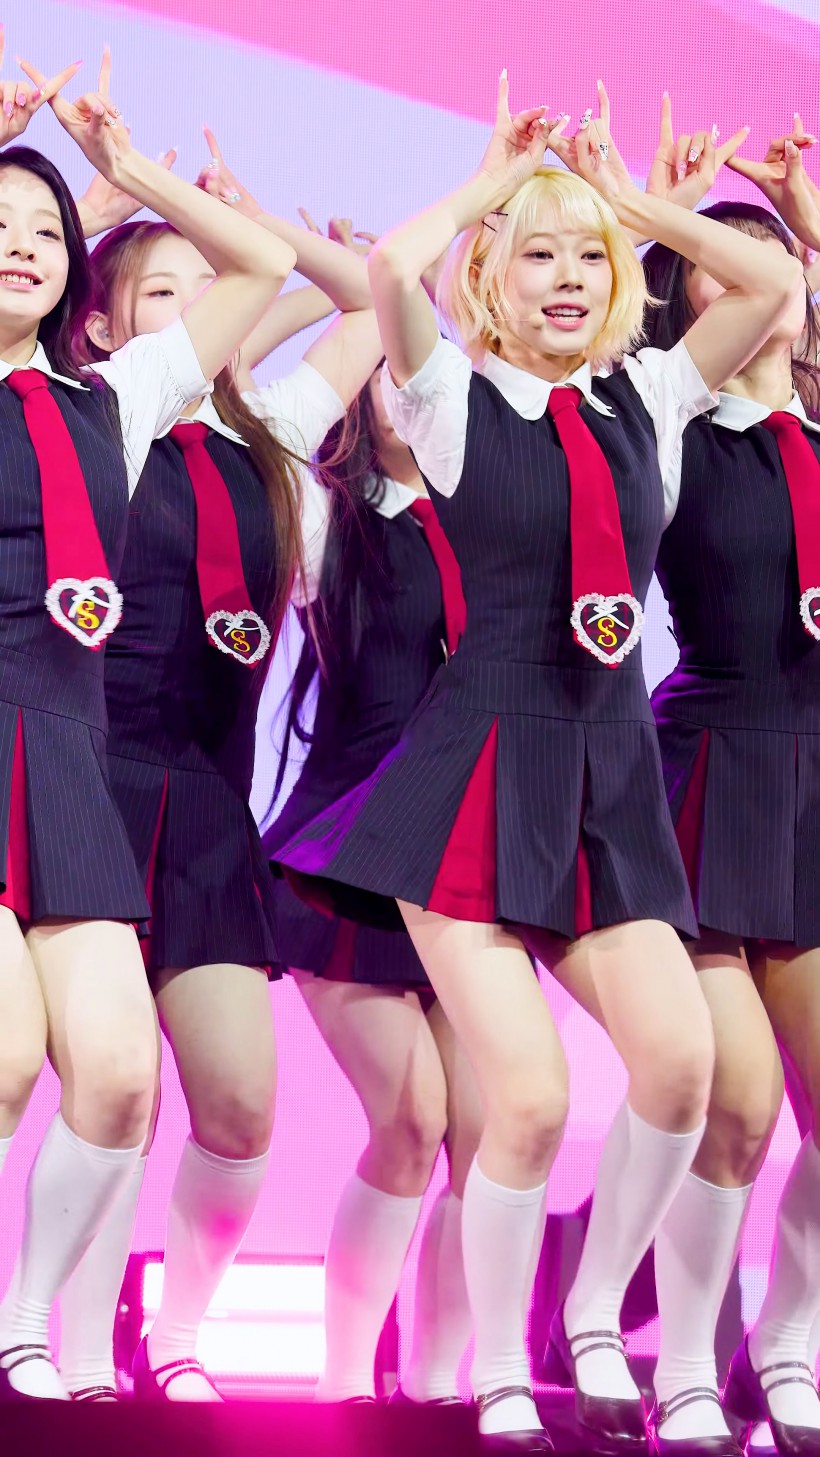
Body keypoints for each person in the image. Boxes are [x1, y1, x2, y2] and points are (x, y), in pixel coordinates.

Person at [271, 78, 803, 1451]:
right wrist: (491, 187)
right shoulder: (450, 395)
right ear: (491, 278)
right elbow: (392, 272)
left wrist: (629, 199)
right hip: (474, 772)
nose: (565, 277)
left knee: (681, 1068)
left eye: (588, 258)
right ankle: (498, 1364)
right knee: (529, 1094)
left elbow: (767, 283)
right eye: (536, 255)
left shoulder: (651, 399)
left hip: (609, 778)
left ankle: (592, 1315)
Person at [51, 140, 380, 1402]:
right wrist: (127, 205)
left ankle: (176, 1329)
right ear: (102, 326)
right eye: (162, 294)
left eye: (215, 287)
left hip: (205, 810)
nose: (201, 311)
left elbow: (366, 309)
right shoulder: (95, 419)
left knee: (240, 1106)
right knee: (113, 1096)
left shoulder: (274, 435)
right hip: (85, 783)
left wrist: (259, 242)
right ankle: (75, 1344)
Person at [0, 47, 300, 1402]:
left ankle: (29, 1322)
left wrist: (123, 169)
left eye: (44, 229)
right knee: (10, 1054)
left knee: (120, 1078)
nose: (24, 245)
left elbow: (259, 269)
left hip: (66, 760)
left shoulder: (111, 403)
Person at [639, 124, 820, 1457]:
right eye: (724, 254)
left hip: (815, 787)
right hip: (709, 770)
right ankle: (684, 1358)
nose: (762, 274)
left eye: (776, 260)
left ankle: (790, 1344)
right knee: (739, 1100)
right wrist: (650, 206)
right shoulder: (666, 425)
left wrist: (805, 219)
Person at [264, 367, 480, 1405]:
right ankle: (345, 1388)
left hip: (467, 861)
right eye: (392, 372)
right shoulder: (323, 517)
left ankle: (442, 1392)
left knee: (493, 1137)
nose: (415, 390)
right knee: (412, 1118)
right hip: (345, 857)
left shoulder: (492, 519)